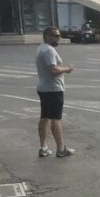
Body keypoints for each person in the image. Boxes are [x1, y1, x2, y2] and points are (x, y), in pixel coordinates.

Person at [36, 26, 75, 158]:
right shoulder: (49, 50)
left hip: (44, 87)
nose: (58, 38)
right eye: (55, 36)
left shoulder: (41, 48)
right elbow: (53, 70)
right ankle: (61, 148)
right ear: (47, 36)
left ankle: (43, 147)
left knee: (45, 117)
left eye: (59, 36)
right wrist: (67, 69)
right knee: (56, 119)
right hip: (52, 89)